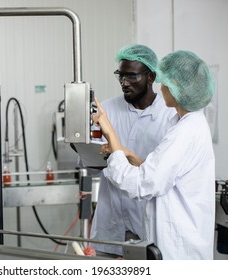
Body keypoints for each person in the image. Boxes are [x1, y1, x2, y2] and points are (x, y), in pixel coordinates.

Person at [92, 50, 216, 259]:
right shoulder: (188, 124)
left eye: (165, 82)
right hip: (169, 243)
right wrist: (132, 157)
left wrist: (111, 135)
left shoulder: (185, 133)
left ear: (177, 87)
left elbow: (142, 185)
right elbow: (164, 175)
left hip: (178, 249)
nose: (161, 87)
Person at [88, 44, 176, 257]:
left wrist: (122, 159)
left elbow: (160, 177)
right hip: (110, 225)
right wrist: (89, 151)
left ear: (151, 77)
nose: (124, 83)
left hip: (148, 225)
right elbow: (91, 169)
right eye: (121, 76)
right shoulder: (106, 110)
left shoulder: (170, 116)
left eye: (132, 77)